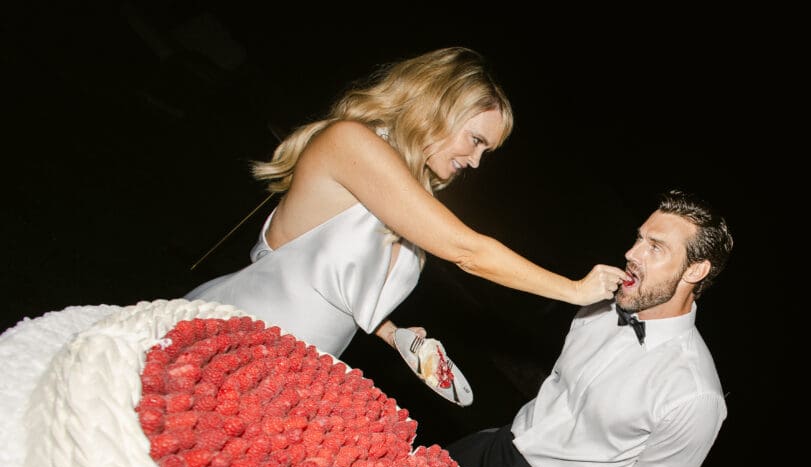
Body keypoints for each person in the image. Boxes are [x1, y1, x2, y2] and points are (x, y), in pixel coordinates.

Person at [185, 46, 624, 358]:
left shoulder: (403, 196)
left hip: (294, 370)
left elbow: (333, 290)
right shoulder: (350, 142)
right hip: (229, 342)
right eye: (475, 141)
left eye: (485, 152)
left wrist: (392, 335)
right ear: (437, 108)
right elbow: (468, 251)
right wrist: (574, 290)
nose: (474, 161)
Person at [445, 189, 734, 467]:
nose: (633, 252)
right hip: (497, 448)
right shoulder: (598, 306)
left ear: (694, 271)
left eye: (655, 247)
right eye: (638, 238)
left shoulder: (695, 394)